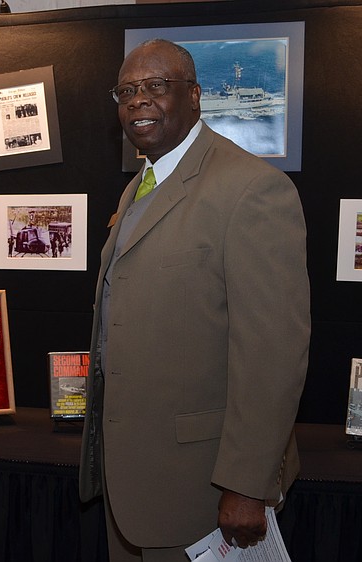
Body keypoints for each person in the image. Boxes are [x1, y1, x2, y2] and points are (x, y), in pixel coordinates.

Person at [79, 39, 310, 561]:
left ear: (196, 96)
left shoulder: (252, 189)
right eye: (127, 91)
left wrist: (247, 484)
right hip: (133, 486)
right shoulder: (141, 184)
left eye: (157, 86)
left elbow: (272, 353)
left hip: (202, 493)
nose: (138, 101)